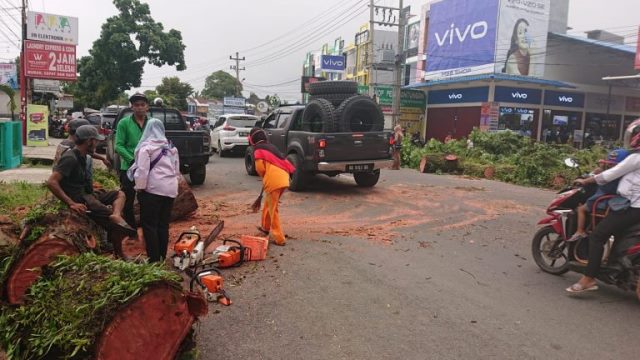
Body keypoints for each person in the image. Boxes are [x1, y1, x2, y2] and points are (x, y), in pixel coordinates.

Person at [567, 121, 640, 293]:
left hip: (633, 207)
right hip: (633, 206)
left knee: (597, 236)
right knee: (617, 233)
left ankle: (589, 278)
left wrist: (585, 181)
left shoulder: (636, 157)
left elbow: (609, 175)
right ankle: (616, 267)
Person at [47, 125, 135, 258]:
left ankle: (116, 214)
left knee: (120, 193)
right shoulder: (70, 158)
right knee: (118, 227)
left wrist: (103, 159)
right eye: (96, 140)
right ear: (89, 141)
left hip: (88, 194)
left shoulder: (82, 153)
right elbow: (52, 182)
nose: (98, 142)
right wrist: (72, 203)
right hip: (81, 199)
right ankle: (120, 254)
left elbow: (92, 153)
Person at [129, 119, 180, 263]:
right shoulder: (171, 147)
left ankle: (154, 259)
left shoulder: (146, 148)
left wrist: (139, 188)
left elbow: (142, 171)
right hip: (170, 189)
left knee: (150, 225)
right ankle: (162, 256)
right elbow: (177, 171)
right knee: (163, 224)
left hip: (152, 190)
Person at [567, 148, 630, 243]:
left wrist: (584, 181)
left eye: (611, 164)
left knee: (580, 209)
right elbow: (597, 174)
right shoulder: (623, 173)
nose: (609, 165)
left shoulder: (611, 174)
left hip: (602, 200)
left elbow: (597, 178)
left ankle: (579, 231)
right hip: (614, 200)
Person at [249, 128, 295, 246]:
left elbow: (260, 168)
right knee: (269, 205)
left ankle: (279, 238)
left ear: (253, 139)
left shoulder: (258, 149)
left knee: (273, 209)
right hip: (284, 178)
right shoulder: (271, 146)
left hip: (274, 181)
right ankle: (265, 227)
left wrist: (265, 177)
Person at [115, 92, 150, 227]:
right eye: (136, 105)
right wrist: (132, 161)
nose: (140, 107)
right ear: (132, 107)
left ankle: (146, 227)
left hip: (148, 168)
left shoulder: (152, 122)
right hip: (128, 168)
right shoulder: (124, 123)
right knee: (128, 200)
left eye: (142, 105)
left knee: (146, 200)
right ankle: (131, 229)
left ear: (147, 107)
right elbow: (118, 145)